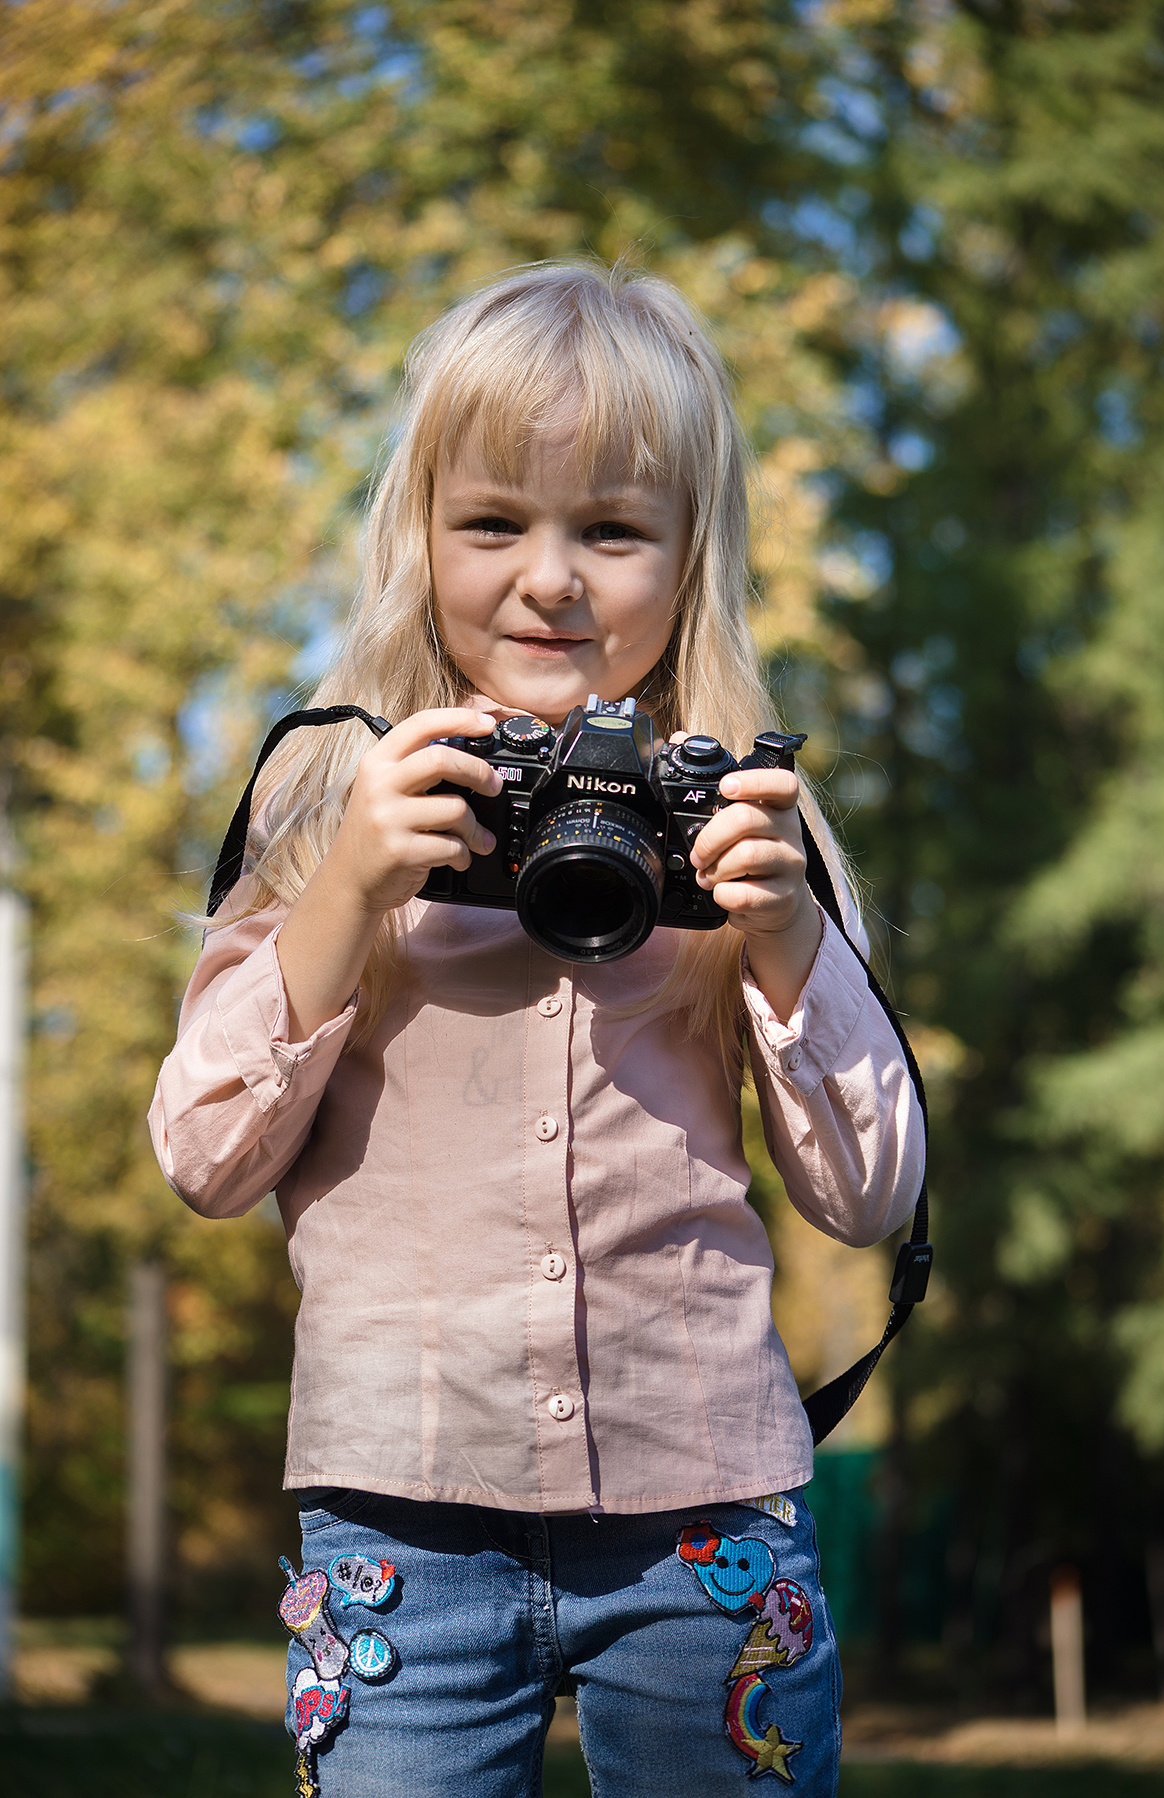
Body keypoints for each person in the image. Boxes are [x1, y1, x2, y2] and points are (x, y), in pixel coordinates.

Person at [149, 263, 924, 1798]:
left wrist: (782, 932)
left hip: (702, 1508)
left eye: (612, 531)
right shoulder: (330, 800)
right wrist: (350, 890)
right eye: (495, 522)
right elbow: (203, 1157)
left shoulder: (743, 819)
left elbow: (870, 1193)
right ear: (419, 533)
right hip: (401, 1515)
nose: (551, 579)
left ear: (691, 555)